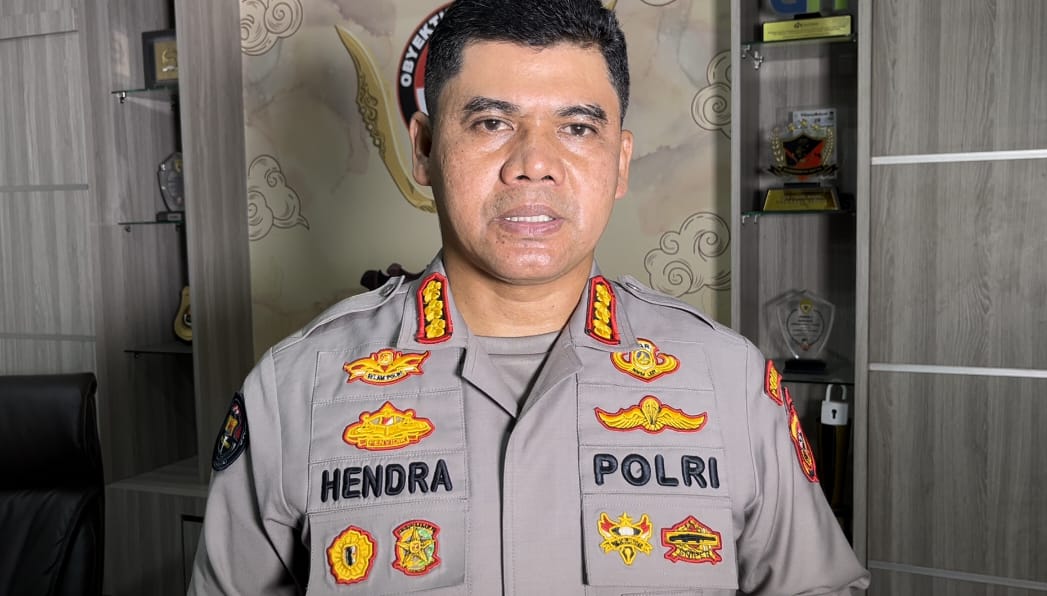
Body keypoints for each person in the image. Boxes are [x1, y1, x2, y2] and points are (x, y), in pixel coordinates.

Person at [188, 0, 871, 594]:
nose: (534, 163)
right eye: (491, 122)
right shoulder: (294, 390)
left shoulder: (730, 381)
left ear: (620, 162)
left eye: (577, 128)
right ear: (424, 150)